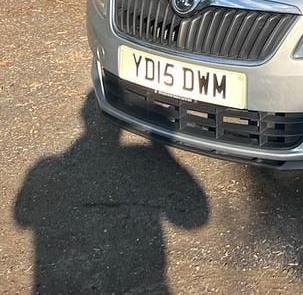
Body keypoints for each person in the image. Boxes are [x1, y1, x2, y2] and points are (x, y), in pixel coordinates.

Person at [15, 92, 209, 293]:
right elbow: (194, 219)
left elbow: (21, 216)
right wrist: (162, 151)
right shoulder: (139, 156)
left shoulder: (46, 168)